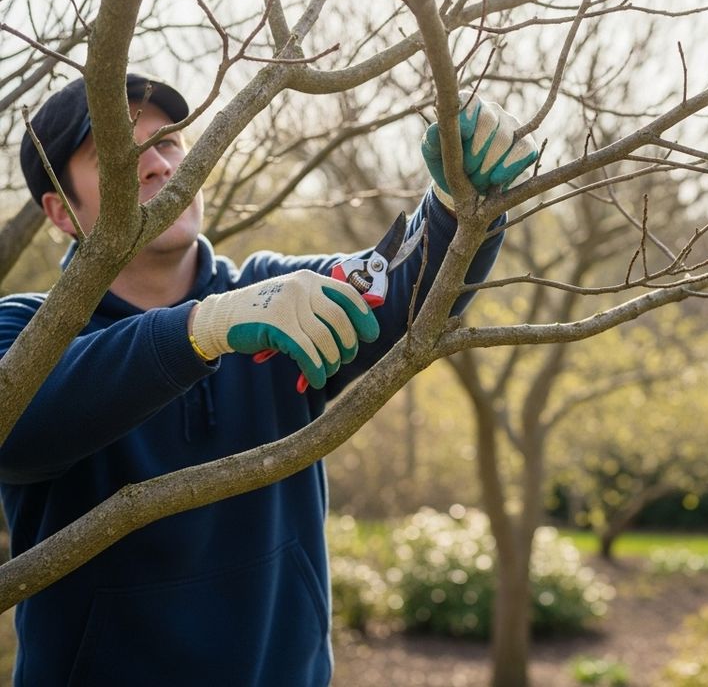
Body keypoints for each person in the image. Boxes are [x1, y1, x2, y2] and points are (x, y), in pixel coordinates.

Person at [0, 74, 536, 686]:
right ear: (59, 210)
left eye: (171, 141)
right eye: (117, 153)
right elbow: (15, 429)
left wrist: (459, 203)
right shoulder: (22, 330)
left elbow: (397, 287)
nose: (156, 164)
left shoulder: (275, 294)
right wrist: (201, 329)